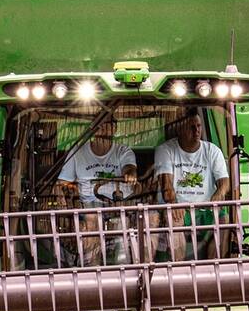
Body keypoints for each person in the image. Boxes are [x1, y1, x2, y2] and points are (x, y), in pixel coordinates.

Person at [57, 117, 137, 264]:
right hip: (88, 205)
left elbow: (130, 167)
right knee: (92, 218)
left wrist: (130, 174)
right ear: (93, 129)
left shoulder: (123, 151)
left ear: (115, 129)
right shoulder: (77, 152)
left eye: (108, 126)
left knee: (129, 220)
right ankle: (93, 270)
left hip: (118, 203)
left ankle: (126, 268)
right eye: (100, 126)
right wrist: (68, 198)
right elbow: (62, 183)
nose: (104, 130)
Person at [153, 112, 230, 260]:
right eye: (191, 127)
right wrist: (174, 204)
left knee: (224, 219)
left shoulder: (212, 150)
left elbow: (224, 182)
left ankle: (215, 268)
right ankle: (181, 271)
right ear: (180, 129)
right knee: (173, 218)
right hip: (180, 207)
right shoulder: (166, 150)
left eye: (199, 126)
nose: (197, 131)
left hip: (206, 208)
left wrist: (218, 195)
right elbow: (166, 186)